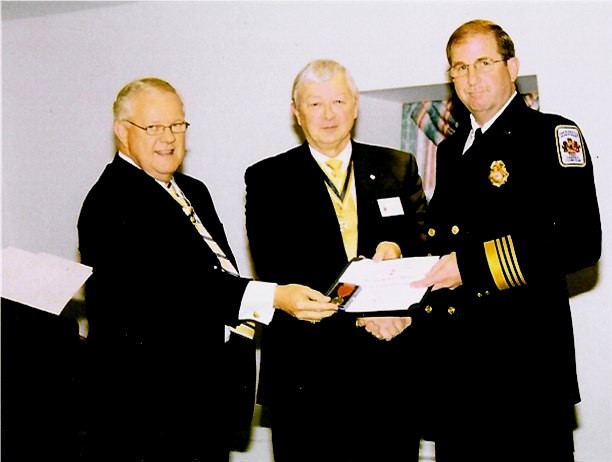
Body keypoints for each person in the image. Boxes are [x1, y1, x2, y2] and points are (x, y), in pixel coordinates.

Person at [77, 77, 338, 462]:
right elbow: (177, 289)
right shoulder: (111, 201)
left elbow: (218, 275)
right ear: (122, 132)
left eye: (177, 125)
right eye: (154, 127)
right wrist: (275, 296)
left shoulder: (192, 189)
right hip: (149, 414)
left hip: (204, 404)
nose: (168, 138)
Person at [410, 19, 602, 462]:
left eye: (483, 63)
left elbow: (579, 241)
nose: (471, 78)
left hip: (524, 371)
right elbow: (442, 239)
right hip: (458, 372)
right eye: (459, 68)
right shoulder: (451, 149)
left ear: (512, 67)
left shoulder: (551, 134)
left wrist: (470, 267)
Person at [244, 59, 428, 462]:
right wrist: (367, 305)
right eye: (315, 104)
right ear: (296, 112)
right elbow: (278, 264)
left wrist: (396, 253)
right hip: (309, 376)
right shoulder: (267, 179)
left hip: (389, 368)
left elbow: (421, 247)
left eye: (339, 101)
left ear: (356, 105)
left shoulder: (398, 167)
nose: (328, 114)